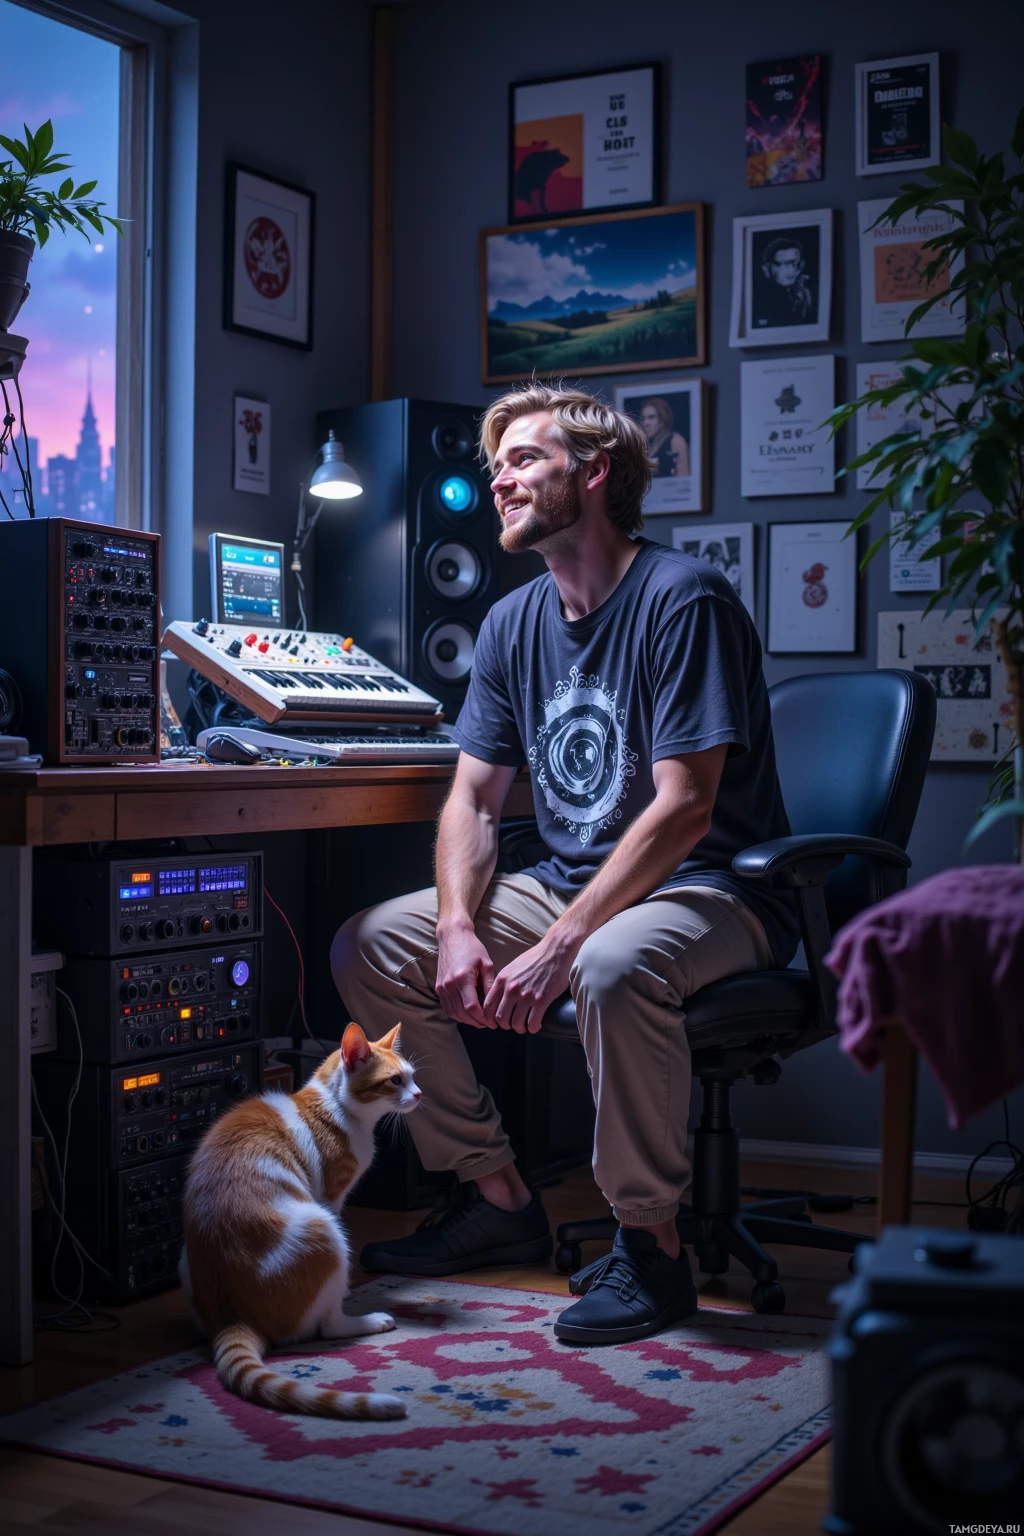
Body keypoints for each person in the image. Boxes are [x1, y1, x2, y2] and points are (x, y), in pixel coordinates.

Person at [331, 384, 798, 1347]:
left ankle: (653, 1248)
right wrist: (459, 926)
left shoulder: (682, 598)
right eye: (495, 463)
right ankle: (496, 1193)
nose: (496, 479)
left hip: (715, 887)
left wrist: (562, 940)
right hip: (570, 883)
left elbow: (687, 806)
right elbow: (471, 799)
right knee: (376, 945)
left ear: (594, 475)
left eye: (525, 460)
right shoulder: (512, 624)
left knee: (610, 963)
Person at [754, 235, 814, 327]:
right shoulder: (759, 301)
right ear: (766, 268)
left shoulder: (806, 292)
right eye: (783, 264)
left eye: (795, 263)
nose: (791, 270)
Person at [638, 396, 690, 479]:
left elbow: (684, 479)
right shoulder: (646, 445)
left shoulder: (675, 441)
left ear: (662, 420)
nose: (645, 423)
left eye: (651, 417)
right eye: (643, 418)